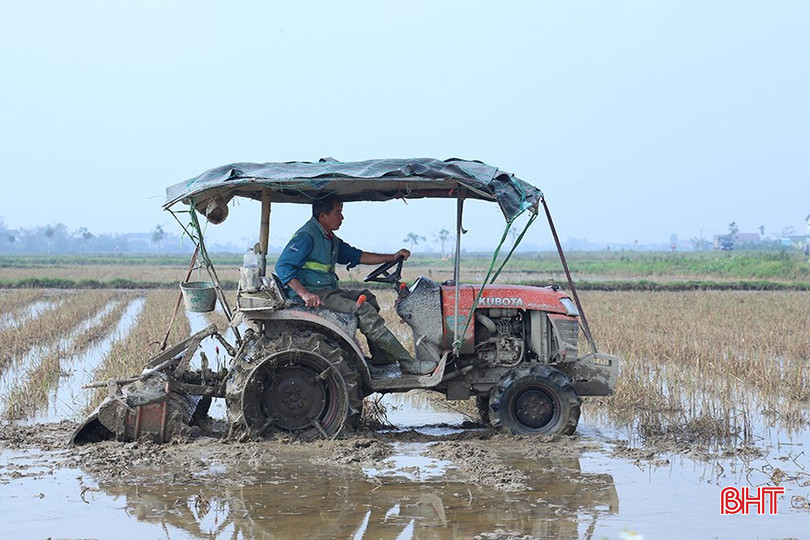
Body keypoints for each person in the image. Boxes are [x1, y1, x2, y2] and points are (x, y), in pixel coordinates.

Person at [274, 194, 437, 375]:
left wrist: (392, 257)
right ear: (322, 216)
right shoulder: (307, 237)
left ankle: (381, 356)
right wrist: (305, 294)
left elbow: (357, 256)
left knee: (369, 298)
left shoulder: (328, 238)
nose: (342, 217)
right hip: (316, 294)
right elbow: (283, 266)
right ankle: (408, 363)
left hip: (327, 290)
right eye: (338, 213)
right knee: (362, 309)